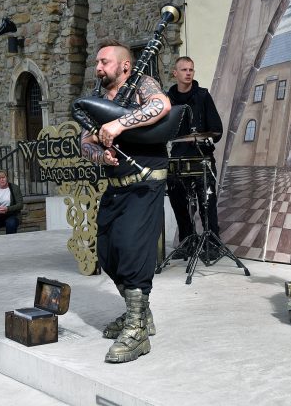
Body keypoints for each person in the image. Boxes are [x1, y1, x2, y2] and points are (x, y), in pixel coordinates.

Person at [79, 40, 171, 363]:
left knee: (132, 247)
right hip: (116, 183)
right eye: (97, 62)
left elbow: (161, 105)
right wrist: (98, 154)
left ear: (124, 66)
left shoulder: (142, 84)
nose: (98, 67)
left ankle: (137, 331)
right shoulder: (97, 96)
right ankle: (140, 313)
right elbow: (84, 141)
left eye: (104, 61)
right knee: (107, 249)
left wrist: (119, 123)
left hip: (145, 180)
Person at [166, 56, 224, 258]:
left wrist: (207, 140)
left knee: (207, 202)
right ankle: (187, 243)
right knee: (178, 201)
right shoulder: (167, 100)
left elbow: (216, 129)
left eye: (191, 69)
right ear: (175, 73)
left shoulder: (202, 96)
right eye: (184, 70)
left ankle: (212, 245)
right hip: (178, 160)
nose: (188, 73)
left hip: (201, 158)